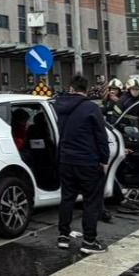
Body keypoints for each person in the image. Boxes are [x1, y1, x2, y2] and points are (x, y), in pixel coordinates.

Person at [53, 75, 111, 254]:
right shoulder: (91, 108)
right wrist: (104, 160)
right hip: (87, 161)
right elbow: (101, 137)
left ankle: (63, 235)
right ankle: (89, 241)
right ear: (85, 90)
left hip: (65, 160)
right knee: (91, 201)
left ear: (71, 88)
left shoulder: (59, 107)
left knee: (67, 198)